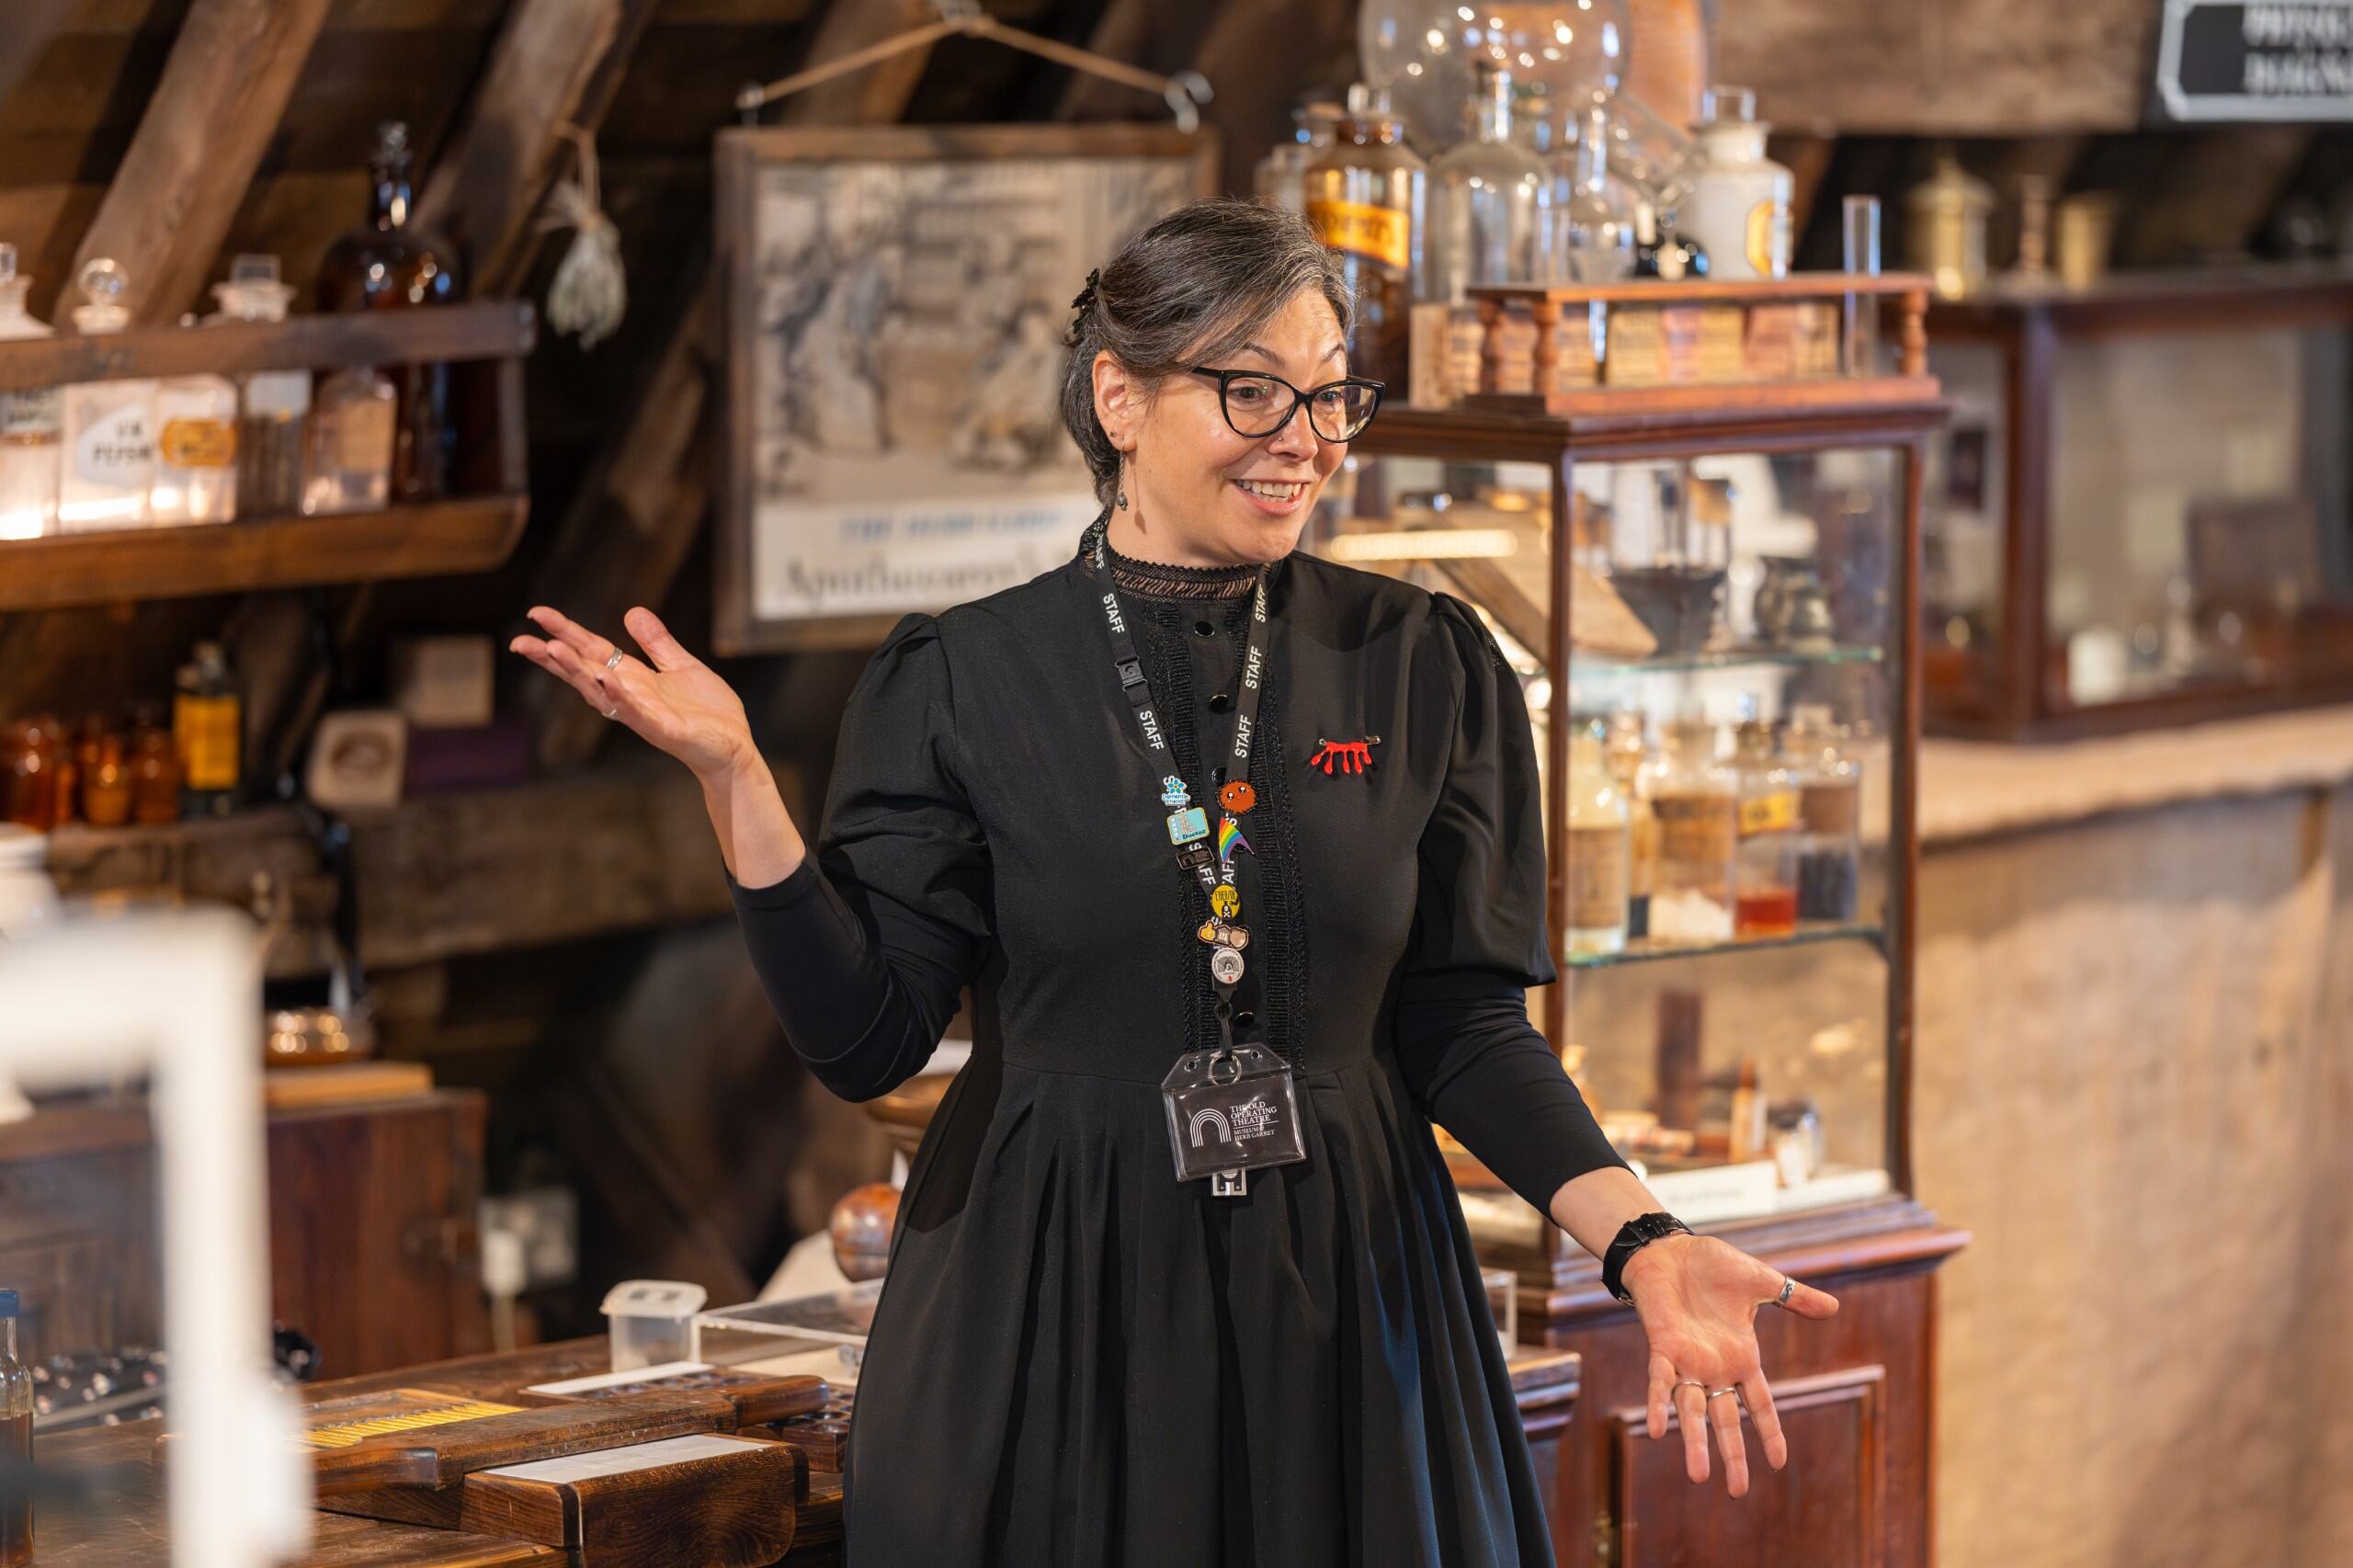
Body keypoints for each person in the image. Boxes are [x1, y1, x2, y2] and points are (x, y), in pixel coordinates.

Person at [511, 198, 1840, 1566]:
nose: (1305, 440)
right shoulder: (962, 677)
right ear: (1118, 397)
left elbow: (1465, 1029)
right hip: (1049, 1299)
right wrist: (737, 781)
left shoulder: (1426, 660)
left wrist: (1646, 1240)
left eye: (1330, 397)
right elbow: (867, 1039)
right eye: (1252, 390)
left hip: (1353, 1300)